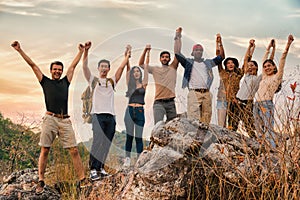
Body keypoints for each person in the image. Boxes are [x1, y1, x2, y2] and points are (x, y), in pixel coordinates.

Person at [11, 41, 88, 194]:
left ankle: (83, 180)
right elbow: (33, 65)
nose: (57, 71)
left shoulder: (66, 82)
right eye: (55, 69)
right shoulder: (44, 81)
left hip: (65, 120)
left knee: (74, 150)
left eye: (60, 70)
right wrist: (20, 50)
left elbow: (73, 67)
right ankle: (41, 180)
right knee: (45, 149)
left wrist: (81, 52)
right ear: (51, 70)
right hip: (50, 119)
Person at [82, 41, 130, 181]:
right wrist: (86, 51)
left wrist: (126, 56)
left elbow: (121, 68)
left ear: (109, 68)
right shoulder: (93, 81)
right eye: (101, 66)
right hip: (97, 116)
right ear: (98, 68)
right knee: (97, 142)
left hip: (111, 117)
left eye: (106, 66)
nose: (104, 68)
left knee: (107, 143)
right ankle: (93, 170)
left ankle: (101, 168)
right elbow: (84, 66)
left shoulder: (111, 82)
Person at [174, 27, 224, 124]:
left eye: (200, 50)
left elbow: (221, 57)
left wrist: (219, 43)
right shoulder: (188, 62)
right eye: (196, 50)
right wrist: (178, 36)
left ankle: (203, 137)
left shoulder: (207, 63)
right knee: (193, 120)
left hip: (206, 93)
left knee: (206, 119)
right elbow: (177, 53)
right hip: (194, 93)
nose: (199, 51)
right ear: (193, 53)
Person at [253, 35, 294, 148]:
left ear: (274, 67)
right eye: (265, 66)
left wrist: (288, 45)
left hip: (267, 104)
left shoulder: (277, 77)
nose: (267, 68)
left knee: (268, 128)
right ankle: (262, 148)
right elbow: (263, 59)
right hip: (256, 104)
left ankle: (272, 149)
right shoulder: (264, 77)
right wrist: (269, 48)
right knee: (258, 128)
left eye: (269, 66)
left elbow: (282, 59)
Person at [139, 43, 179, 125]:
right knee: (158, 126)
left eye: (167, 57)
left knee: (173, 127)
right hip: (158, 102)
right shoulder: (154, 69)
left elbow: (177, 52)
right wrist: (145, 50)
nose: (165, 58)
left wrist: (178, 37)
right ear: (160, 59)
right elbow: (141, 64)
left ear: (169, 59)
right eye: (163, 57)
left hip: (170, 102)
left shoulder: (173, 67)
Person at [123, 46, 149, 168]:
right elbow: (127, 69)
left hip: (139, 111)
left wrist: (147, 52)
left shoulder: (144, 84)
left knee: (138, 137)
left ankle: (139, 160)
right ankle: (127, 159)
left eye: (138, 71)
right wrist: (127, 55)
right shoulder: (130, 84)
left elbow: (147, 67)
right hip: (129, 111)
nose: (136, 73)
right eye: (134, 72)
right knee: (129, 137)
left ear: (140, 73)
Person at [235, 39, 261, 137]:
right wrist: (250, 47)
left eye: (252, 66)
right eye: (249, 66)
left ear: (256, 67)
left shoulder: (258, 78)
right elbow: (246, 59)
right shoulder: (247, 75)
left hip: (247, 103)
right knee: (234, 123)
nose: (249, 67)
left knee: (248, 124)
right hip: (237, 101)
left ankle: (254, 141)